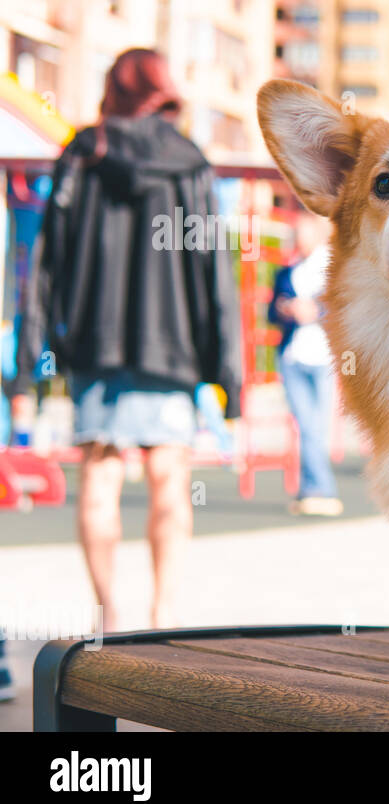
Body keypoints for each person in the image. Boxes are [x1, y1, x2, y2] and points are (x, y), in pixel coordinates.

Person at [5, 49, 242, 631]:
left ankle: (107, 617)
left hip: (94, 343)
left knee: (101, 477)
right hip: (174, 345)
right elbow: (214, 269)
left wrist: (27, 371)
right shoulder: (189, 161)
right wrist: (227, 374)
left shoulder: (83, 154)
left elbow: (45, 266)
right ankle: (163, 614)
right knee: (169, 479)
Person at [270, 214, 342, 516]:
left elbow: (343, 307)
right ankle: (311, 490)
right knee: (306, 425)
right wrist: (285, 309)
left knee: (314, 426)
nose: (297, 238)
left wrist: (315, 310)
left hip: (322, 357)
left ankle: (321, 491)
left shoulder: (332, 269)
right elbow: (271, 314)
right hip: (292, 357)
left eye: (301, 232)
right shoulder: (287, 272)